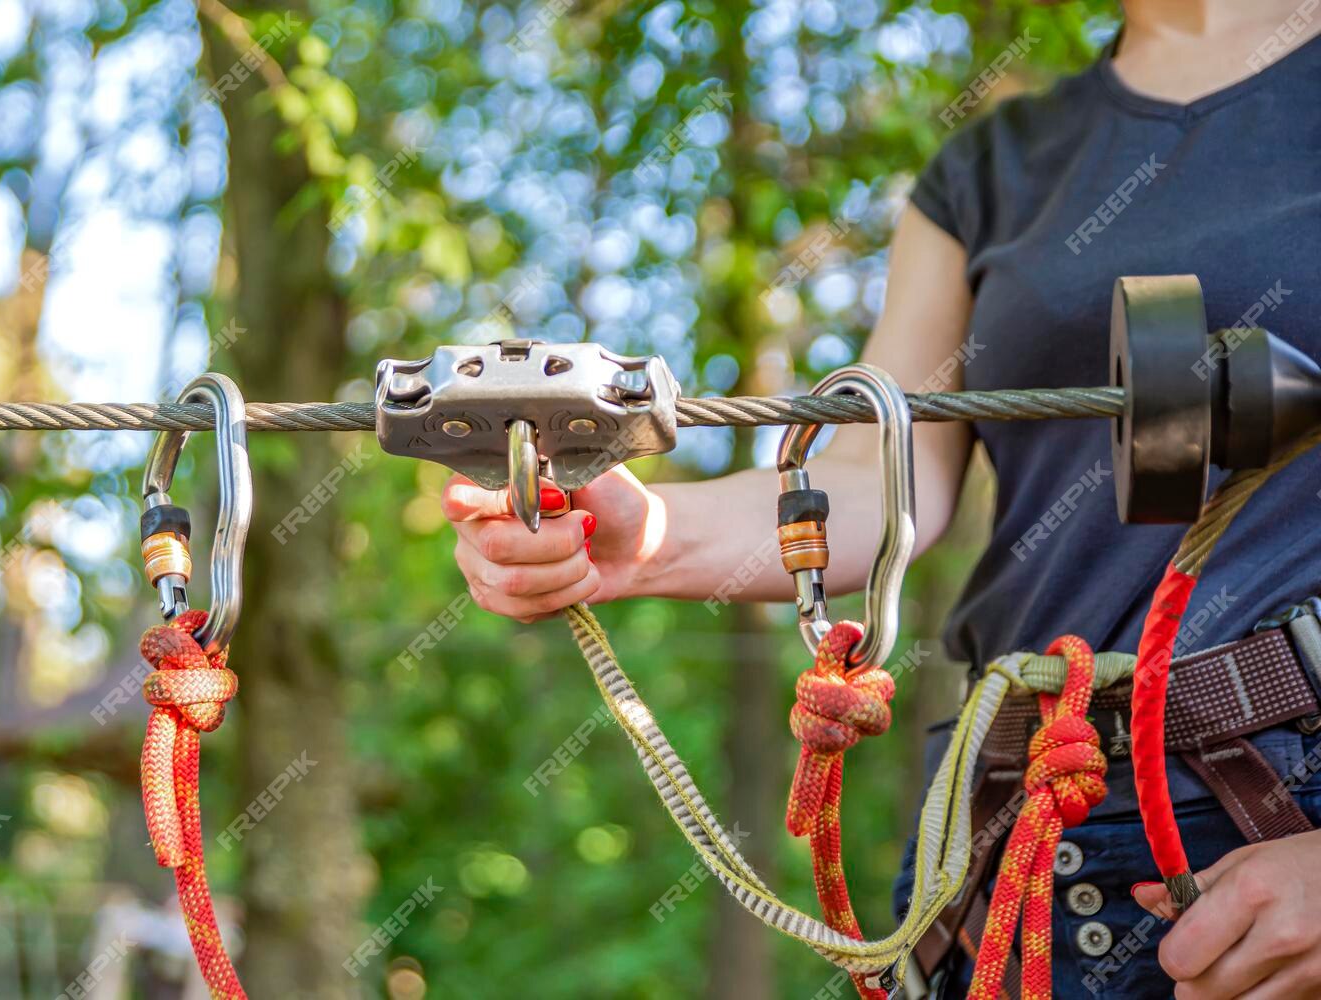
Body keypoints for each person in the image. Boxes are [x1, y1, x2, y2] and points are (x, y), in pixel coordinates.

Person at [442, 1, 1321, 996]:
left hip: (1289, 812)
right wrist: (646, 540)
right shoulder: (995, 164)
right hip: (1009, 828)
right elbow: (877, 475)